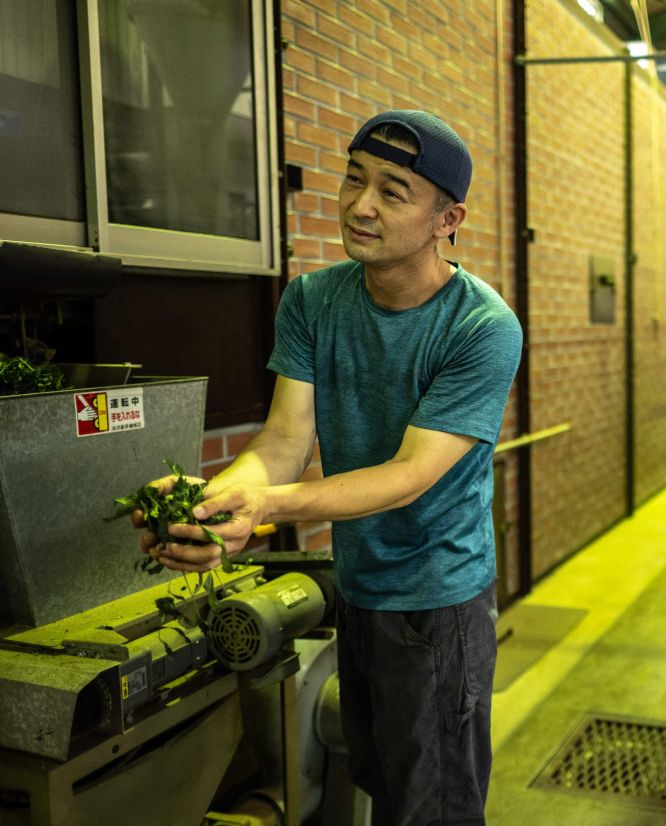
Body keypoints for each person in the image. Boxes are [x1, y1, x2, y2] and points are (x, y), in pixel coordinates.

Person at [136, 110, 523, 826]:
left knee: (433, 807)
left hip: (438, 606)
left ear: (448, 218)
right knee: (379, 778)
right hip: (362, 589)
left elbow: (410, 473)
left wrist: (270, 509)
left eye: (392, 191)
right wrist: (218, 500)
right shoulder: (314, 301)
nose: (359, 205)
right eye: (354, 179)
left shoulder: (482, 329)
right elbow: (284, 438)